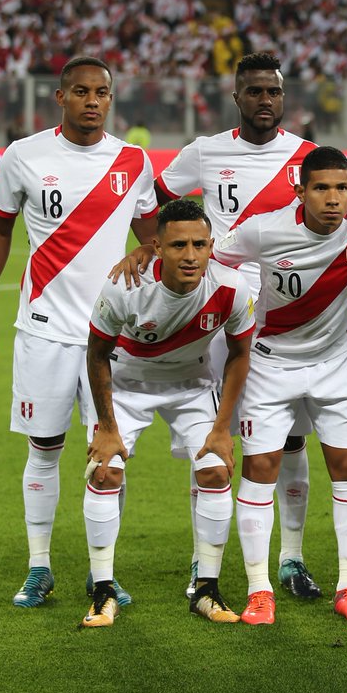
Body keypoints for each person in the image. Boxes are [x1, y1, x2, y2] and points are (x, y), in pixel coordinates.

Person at [0, 56, 158, 608]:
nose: (93, 101)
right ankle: (39, 567)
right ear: (61, 97)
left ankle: (103, 574)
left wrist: (144, 250)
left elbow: (156, 236)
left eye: (102, 91)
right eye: (81, 91)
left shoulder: (132, 160)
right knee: (45, 448)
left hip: (112, 336)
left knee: (110, 457)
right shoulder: (25, 155)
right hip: (45, 329)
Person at [143, 52, 320, 600]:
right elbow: (157, 197)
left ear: (283, 98)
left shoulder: (309, 159)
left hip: (289, 321)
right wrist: (156, 250)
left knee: (289, 444)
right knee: (212, 441)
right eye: (255, 91)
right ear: (237, 97)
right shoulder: (207, 151)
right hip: (218, 322)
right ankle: (205, 560)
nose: (265, 99)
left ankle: (290, 560)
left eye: (274, 91)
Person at [212, 146, 347, 625]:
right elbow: (215, 260)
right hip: (271, 366)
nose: (332, 198)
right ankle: (259, 591)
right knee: (261, 470)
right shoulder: (263, 229)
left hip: (337, 366)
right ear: (300, 191)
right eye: (321, 188)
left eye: (341, 189)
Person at [81, 199, 253, 627]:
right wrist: (106, 427)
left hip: (192, 384)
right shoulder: (124, 286)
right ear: (157, 247)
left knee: (215, 468)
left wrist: (222, 429)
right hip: (125, 383)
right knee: (105, 470)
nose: (190, 255)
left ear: (212, 245)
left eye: (199, 244)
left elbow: (239, 354)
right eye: (178, 245)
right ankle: (103, 591)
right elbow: (97, 353)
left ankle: (207, 589)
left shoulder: (232, 288)